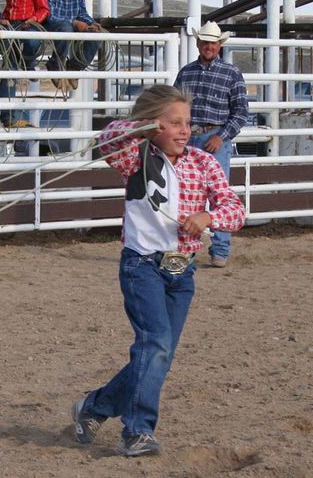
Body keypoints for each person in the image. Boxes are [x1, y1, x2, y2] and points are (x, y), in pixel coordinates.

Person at [70, 85, 245, 457]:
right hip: (142, 265)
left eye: (187, 123)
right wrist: (141, 127)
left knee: (157, 353)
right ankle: (138, 431)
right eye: (174, 123)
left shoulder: (203, 162)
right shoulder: (136, 156)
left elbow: (235, 208)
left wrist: (208, 216)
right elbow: (108, 139)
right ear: (153, 126)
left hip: (182, 272)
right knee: (156, 347)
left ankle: (94, 408)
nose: (184, 130)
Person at [174, 21, 248, 268]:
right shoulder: (186, 72)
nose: (208, 46)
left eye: (212, 42)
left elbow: (240, 113)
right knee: (184, 192)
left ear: (219, 45)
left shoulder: (232, 73)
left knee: (219, 194)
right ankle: (185, 248)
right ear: (198, 43)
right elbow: (175, 106)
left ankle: (220, 248)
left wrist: (222, 136)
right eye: (205, 41)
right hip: (188, 136)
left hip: (214, 137)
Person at [0, 0, 49, 128]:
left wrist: (33, 20)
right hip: (11, 24)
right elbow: (9, 6)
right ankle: (7, 116)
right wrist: (3, 19)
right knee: (10, 69)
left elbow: (44, 9)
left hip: (28, 23)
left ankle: (28, 63)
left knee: (32, 42)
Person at [43, 0, 101, 91]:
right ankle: (55, 65)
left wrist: (91, 23)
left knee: (95, 35)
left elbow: (82, 14)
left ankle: (75, 67)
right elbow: (51, 15)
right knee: (66, 28)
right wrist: (74, 23)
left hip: (70, 26)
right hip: (53, 24)